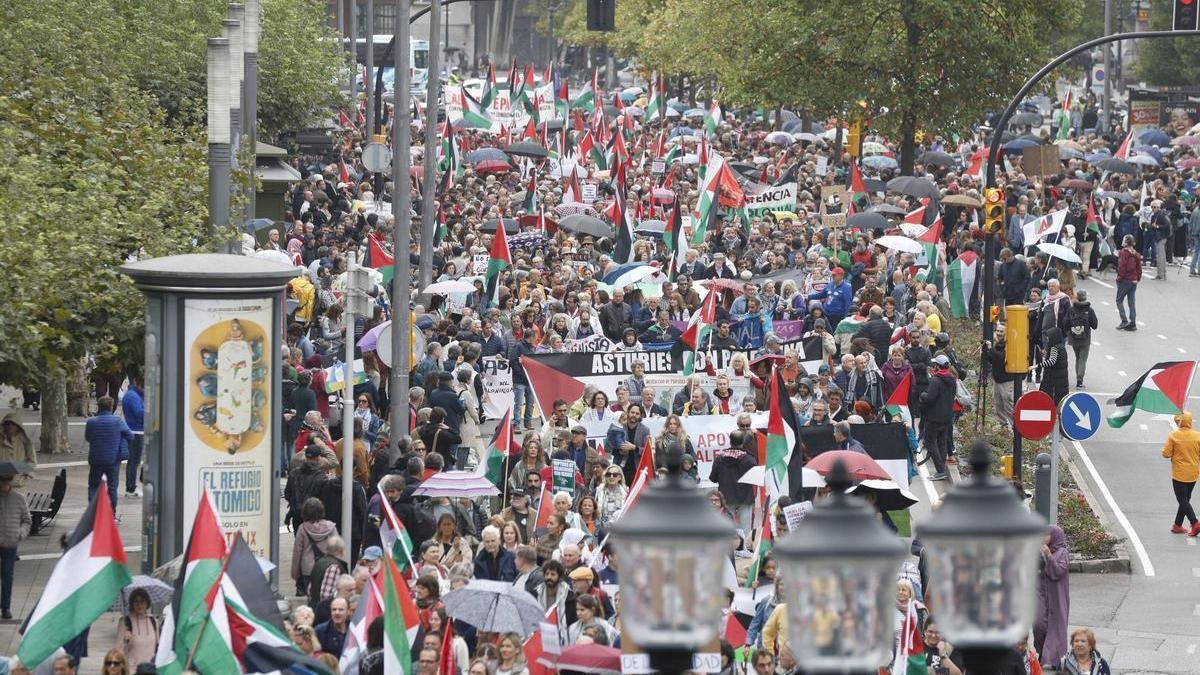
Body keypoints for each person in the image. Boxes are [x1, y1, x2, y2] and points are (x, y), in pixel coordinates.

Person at [85, 395, 132, 510]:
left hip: (96, 459)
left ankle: (93, 511)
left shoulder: (91, 422)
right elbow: (130, 436)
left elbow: (88, 437)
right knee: (112, 486)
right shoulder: (118, 421)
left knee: (93, 486)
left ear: (98, 407)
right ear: (111, 407)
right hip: (113, 459)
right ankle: (112, 511)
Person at [1034, 525, 1070, 667]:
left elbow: (1058, 572)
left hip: (1056, 596)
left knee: (1056, 627)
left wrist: (1049, 556)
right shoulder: (1040, 551)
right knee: (1038, 624)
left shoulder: (1063, 553)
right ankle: (1042, 652)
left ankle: (1054, 659)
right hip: (1041, 594)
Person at [1162, 411, 1200, 536]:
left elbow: (1166, 454)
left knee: (1182, 500)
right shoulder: (1198, 436)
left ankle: (1195, 523)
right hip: (1193, 473)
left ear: (1179, 422)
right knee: (1186, 499)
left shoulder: (1173, 436)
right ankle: (1177, 525)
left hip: (1179, 474)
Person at [919, 355, 956, 480]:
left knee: (930, 442)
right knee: (942, 442)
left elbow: (930, 398)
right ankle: (942, 469)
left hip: (934, 417)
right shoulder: (952, 379)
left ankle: (940, 470)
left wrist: (923, 394)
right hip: (947, 417)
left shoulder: (936, 380)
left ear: (937, 366)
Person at [291, 497, 337, 596]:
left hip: (308, 569)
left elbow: (297, 552)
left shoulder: (302, 528)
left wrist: (295, 572)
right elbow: (336, 548)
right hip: (327, 566)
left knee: (311, 595)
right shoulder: (331, 528)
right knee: (326, 593)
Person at [0, 473, 30, 620]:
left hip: (11, 543)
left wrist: (21, 533)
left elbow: (27, 520)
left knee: (7, 576)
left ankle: (5, 607)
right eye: (2, 481)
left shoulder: (19, 499)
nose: (4, 484)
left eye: (7, 481)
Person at [118, 588, 160, 665]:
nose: (139, 604)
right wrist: (125, 641)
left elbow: (158, 645)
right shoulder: (125, 622)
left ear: (147, 603)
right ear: (132, 604)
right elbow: (118, 651)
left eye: (142, 601)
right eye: (136, 601)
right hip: (131, 669)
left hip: (150, 668)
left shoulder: (154, 621)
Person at [1064, 289, 1097, 388]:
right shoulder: (1089, 310)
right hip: (1085, 338)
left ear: (1077, 297)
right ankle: (1079, 380)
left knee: (1077, 358)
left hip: (1073, 337)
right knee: (1082, 359)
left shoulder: (1071, 309)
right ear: (1085, 297)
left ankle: (1078, 378)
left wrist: (1069, 332)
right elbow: (1095, 325)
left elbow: (1065, 323)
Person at [121, 374, 145, 498]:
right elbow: (140, 414)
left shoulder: (132, 395)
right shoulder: (133, 397)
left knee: (134, 461)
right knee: (134, 461)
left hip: (135, 431)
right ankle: (130, 488)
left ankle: (131, 487)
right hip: (136, 432)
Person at [1115, 234, 1141, 331]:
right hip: (1134, 280)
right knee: (1131, 302)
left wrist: (1119, 278)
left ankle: (1124, 320)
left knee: (1119, 300)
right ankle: (1133, 322)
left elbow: (1122, 267)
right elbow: (1139, 267)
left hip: (1125, 280)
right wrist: (1138, 278)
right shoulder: (1136, 254)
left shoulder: (1123, 253)